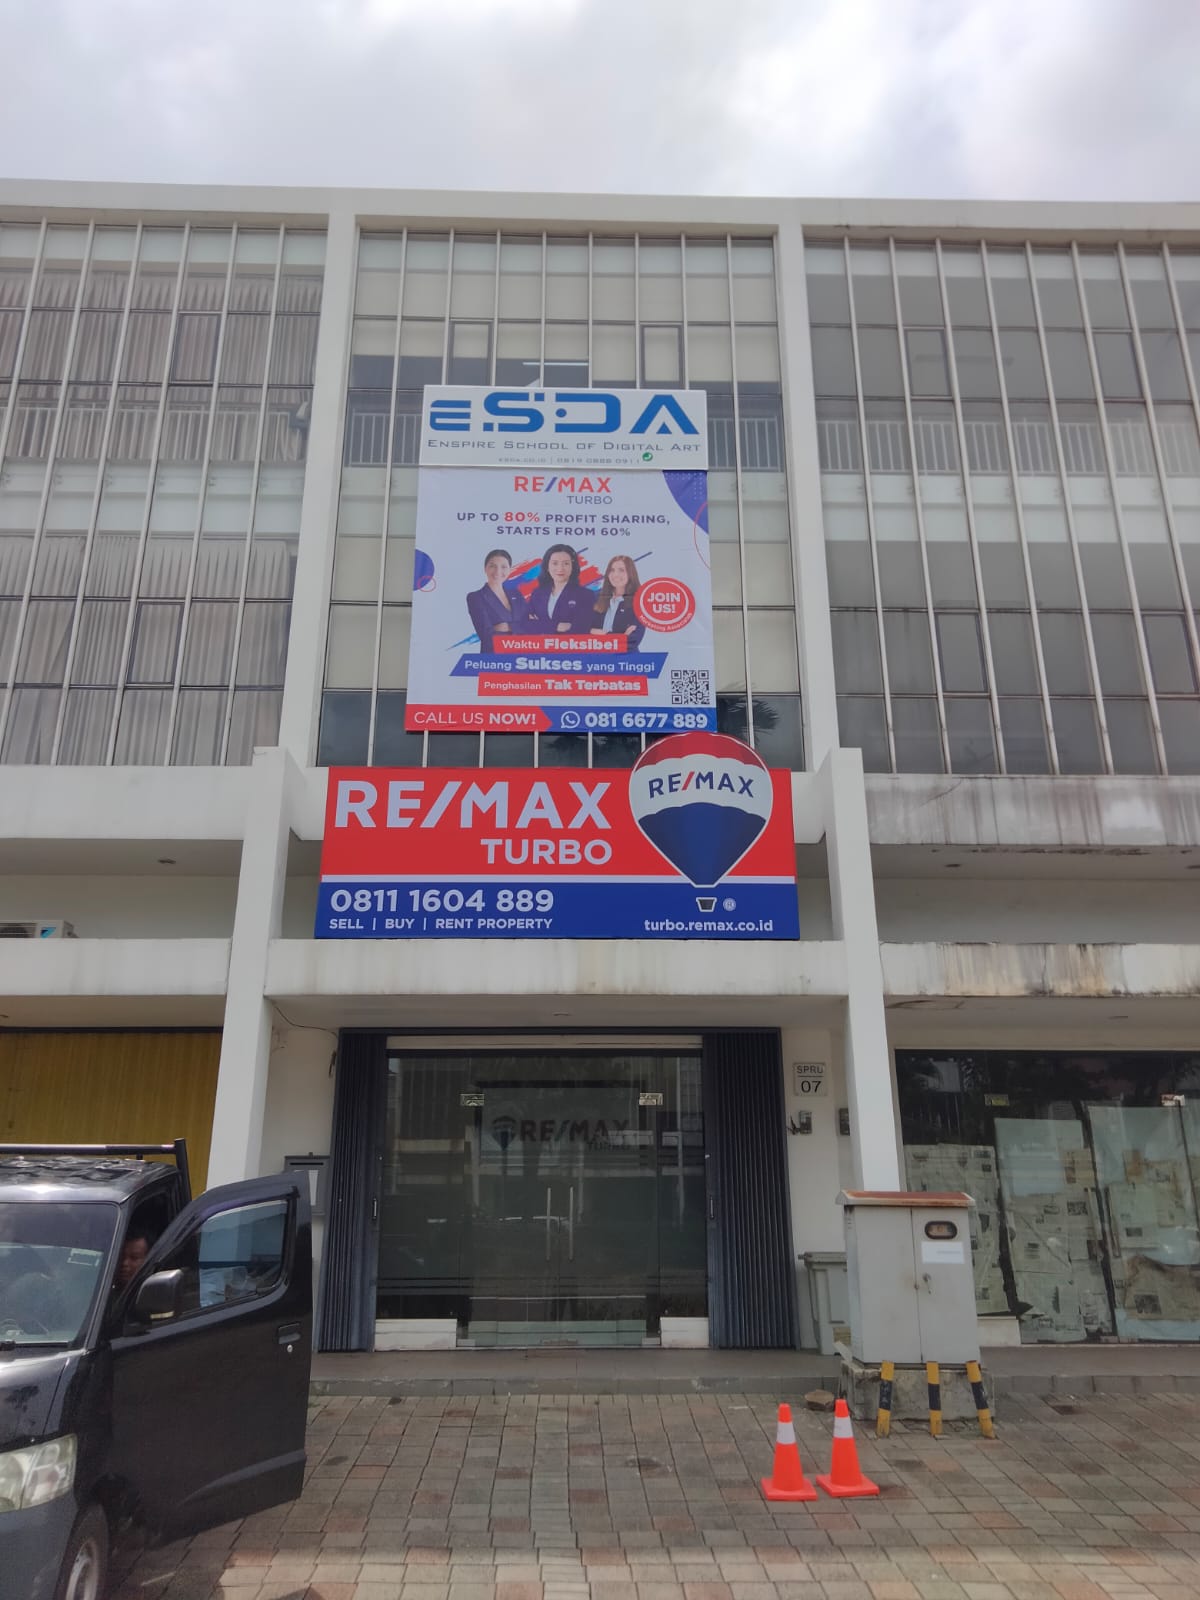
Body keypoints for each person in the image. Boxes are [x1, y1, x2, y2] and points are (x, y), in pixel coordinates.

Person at [523, 544, 593, 635]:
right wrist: (556, 626)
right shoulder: (538, 593)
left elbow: (580, 629)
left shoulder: (585, 595)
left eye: (566, 563)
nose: (560, 568)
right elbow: (525, 625)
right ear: (547, 567)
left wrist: (540, 624)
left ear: (572, 567)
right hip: (539, 644)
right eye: (555, 563)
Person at [466, 548, 523, 650]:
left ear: (510, 570)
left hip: (521, 657)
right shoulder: (476, 597)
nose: (498, 571)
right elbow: (487, 636)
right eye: (492, 566)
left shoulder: (517, 595)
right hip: (493, 657)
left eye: (503, 567)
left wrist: (507, 627)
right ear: (485, 569)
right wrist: (518, 629)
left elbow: (531, 627)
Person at [589, 555, 645, 648]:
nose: (615, 575)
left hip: (625, 657)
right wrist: (621, 637)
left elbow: (632, 641)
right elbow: (580, 631)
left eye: (621, 570)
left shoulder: (639, 602)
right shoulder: (593, 597)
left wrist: (602, 634)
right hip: (594, 656)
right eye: (612, 570)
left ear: (631, 573)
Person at [113, 1228, 153, 1293]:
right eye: (121, 1256)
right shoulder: (101, 1292)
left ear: (147, 1260)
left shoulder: (152, 1295)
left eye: (134, 1257)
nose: (124, 1263)